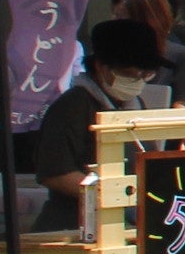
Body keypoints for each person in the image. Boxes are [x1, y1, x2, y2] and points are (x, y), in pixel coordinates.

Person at [31, 16, 162, 232]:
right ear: (102, 67)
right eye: (130, 74)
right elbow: (55, 174)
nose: (138, 80)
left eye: (145, 74)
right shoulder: (72, 106)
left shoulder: (136, 104)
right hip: (73, 226)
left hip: (127, 224)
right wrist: (113, 194)